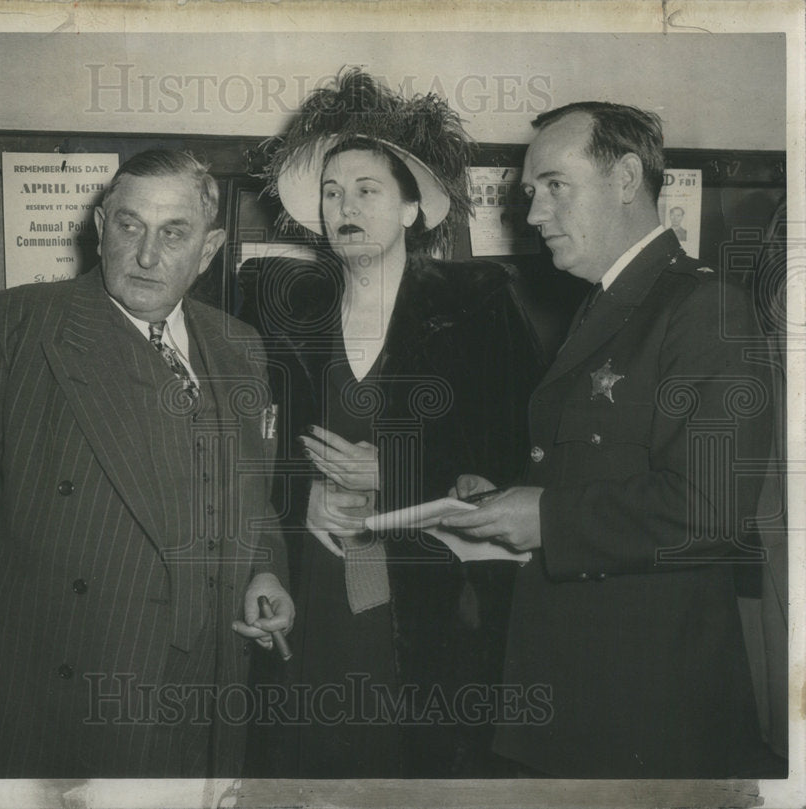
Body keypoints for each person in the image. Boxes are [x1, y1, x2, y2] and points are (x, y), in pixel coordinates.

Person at [0, 149, 294, 778]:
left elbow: (253, 496)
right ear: (100, 226)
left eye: (174, 233)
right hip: (68, 697)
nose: (146, 255)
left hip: (211, 690)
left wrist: (264, 572)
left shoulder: (239, 345)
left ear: (210, 248)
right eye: (130, 226)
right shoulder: (9, 330)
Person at [444, 102, 775, 777]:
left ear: (626, 177)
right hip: (582, 686)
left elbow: (711, 512)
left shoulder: (705, 308)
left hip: (651, 703)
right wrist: (511, 500)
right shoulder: (606, 305)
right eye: (531, 193)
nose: (533, 214)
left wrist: (543, 517)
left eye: (554, 186)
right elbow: (598, 471)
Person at [249, 70, 544, 778]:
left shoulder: (477, 305)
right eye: (331, 192)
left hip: (429, 595)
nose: (344, 206)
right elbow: (243, 451)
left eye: (366, 190)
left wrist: (401, 474)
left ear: (413, 208)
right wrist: (299, 494)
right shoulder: (283, 310)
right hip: (313, 583)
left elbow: (518, 457)